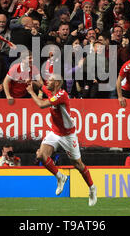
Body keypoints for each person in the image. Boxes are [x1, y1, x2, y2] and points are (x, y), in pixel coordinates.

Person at [26, 74, 97, 206]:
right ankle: (60, 176)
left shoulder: (61, 95)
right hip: (55, 132)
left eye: (51, 80)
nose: (48, 81)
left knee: (78, 165)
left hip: (68, 135)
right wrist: (33, 83)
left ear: (57, 83)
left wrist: (31, 92)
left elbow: (41, 104)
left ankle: (92, 188)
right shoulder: (52, 91)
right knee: (41, 155)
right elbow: (42, 86)